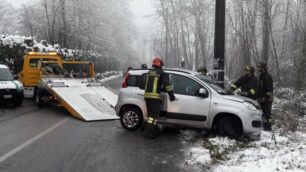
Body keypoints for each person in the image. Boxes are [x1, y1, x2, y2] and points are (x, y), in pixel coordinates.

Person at [143, 56, 176, 139]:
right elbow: (167, 86)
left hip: (147, 97)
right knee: (153, 117)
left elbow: (143, 84)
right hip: (155, 98)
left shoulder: (149, 73)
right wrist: (172, 96)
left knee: (151, 116)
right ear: (160, 64)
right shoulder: (162, 73)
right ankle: (148, 133)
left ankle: (152, 131)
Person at [257, 62, 273, 131]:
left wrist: (267, 98)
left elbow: (269, 88)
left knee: (267, 114)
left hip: (267, 100)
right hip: (262, 99)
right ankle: (264, 127)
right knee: (263, 114)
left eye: (260, 67)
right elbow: (261, 88)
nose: (259, 68)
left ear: (264, 68)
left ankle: (268, 128)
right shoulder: (262, 76)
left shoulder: (267, 76)